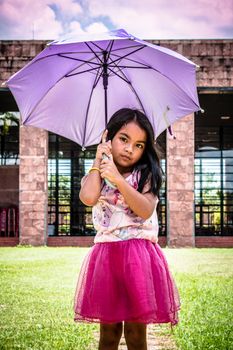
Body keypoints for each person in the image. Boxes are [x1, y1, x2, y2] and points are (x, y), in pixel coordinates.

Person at [74, 108, 180, 350]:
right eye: (123, 139)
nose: (130, 149)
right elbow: (89, 197)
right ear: (108, 137)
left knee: (135, 333)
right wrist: (98, 161)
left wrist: (120, 180)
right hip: (107, 257)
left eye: (139, 145)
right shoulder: (97, 174)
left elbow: (145, 209)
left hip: (138, 258)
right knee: (109, 333)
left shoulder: (146, 174)